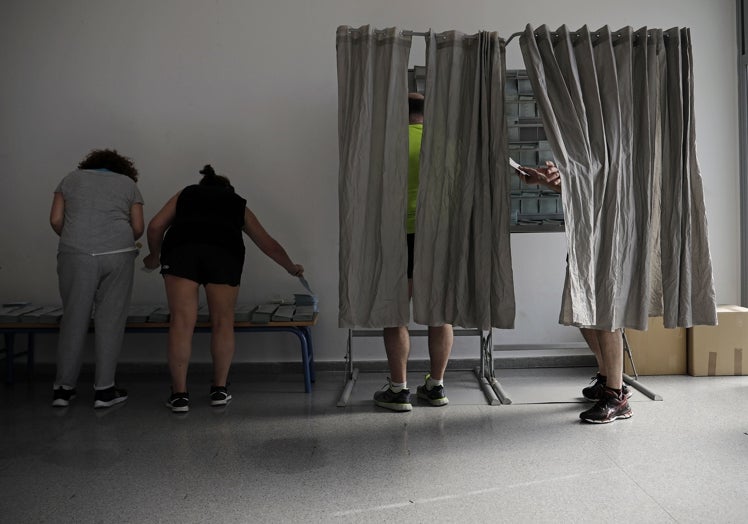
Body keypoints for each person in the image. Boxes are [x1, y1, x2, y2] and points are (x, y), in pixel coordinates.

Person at [143, 165, 304, 413]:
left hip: (182, 251)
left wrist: (154, 256)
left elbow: (155, 226)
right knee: (223, 321)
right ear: (227, 189)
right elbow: (268, 244)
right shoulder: (236, 203)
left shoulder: (186, 194)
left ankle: (179, 396)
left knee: (181, 322)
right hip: (224, 254)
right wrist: (291, 268)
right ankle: (219, 390)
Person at [517, 161, 632, 424]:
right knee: (581, 310)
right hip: (585, 235)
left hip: (608, 234)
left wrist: (561, 178)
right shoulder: (584, 145)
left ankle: (616, 396)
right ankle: (607, 379)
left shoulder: (608, 143)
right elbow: (584, 189)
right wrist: (547, 181)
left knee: (604, 312)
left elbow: (605, 187)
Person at [373, 92, 454, 412]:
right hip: (437, 236)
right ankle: (435, 387)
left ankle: (399, 390)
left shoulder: (389, 144)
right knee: (439, 315)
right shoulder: (443, 144)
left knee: (395, 315)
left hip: (399, 235)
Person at [49, 149, 144, 408]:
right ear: (121, 167)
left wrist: (75, 239)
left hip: (74, 253)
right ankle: (104, 390)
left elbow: (56, 219)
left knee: (73, 316)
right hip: (118, 253)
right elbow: (138, 227)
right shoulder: (128, 184)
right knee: (110, 319)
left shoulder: (69, 179)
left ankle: (63, 390)